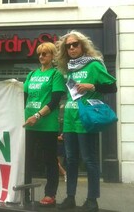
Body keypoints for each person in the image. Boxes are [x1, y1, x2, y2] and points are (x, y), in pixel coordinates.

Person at [55, 30, 117, 212]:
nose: (72, 48)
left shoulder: (94, 65)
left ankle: (92, 200)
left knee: (89, 160)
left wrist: (93, 86)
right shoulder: (68, 68)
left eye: (75, 44)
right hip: (69, 119)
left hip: (87, 118)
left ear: (83, 45)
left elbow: (112, 87)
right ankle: (70, 197)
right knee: (71, 160)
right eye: (68, 46)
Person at [23, 42, 66, 206]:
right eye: (39, 54)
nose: (41, 57)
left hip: (47, 126)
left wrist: (37, 115)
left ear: (52, 56)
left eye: (45, 54)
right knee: (26, 160)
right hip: (29, 125)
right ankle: (24, 192)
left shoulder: (56, 74)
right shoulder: (31, 74)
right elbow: (24, 98)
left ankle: (50, 194)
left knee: (49, 160)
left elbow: (55, 101)